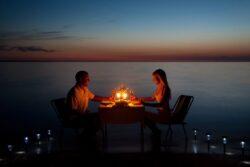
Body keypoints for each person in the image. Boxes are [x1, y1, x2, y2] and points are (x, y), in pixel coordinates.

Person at [67, 71, 109, 135]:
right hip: (76, 118)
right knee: (98, 118)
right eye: (87, 78)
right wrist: (87, 115)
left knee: (101, 115)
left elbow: (93, 97)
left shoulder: (85, 89)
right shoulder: (74, 92)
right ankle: (85, 137)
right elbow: (72, 110)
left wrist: (108, 99)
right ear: (81, 79)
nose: (89, 80)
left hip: (83, 116)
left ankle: (88, 136)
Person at [140, 69, 172, 135]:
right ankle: (155, 131)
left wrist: (145, 104)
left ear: (159, 78)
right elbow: (152, 98)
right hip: (160, 113)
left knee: (142, 114)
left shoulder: (165, 89)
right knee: (142, 113)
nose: (152, 80)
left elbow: (161, 104)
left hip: (165, 116)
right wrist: (140, 99)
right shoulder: (159, 87)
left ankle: (156, 131)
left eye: (154, 78)